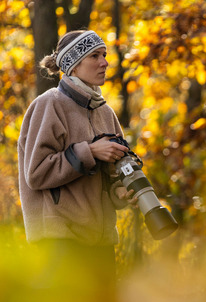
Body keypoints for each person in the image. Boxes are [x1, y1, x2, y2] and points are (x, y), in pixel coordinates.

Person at [18, 29, 137, 302]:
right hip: (60, 242)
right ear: (73, 63)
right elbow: (35, 173)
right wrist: (89, 151)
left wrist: (120, 193)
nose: (105, 62)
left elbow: (114, 172)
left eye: (105, 55)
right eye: (95, 55)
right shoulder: (49, 105)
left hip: (102, 241)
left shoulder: (105, 112)